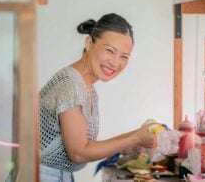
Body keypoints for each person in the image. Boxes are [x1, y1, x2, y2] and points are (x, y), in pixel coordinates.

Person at [39, 13, 157, 181]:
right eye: (110, 51)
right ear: (89, 43)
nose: (115, 63)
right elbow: (79, 153)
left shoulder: (87, 88)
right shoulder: (70, 86)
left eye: (124, 57)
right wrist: (136, 137)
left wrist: (138, 136)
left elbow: (85, 147)